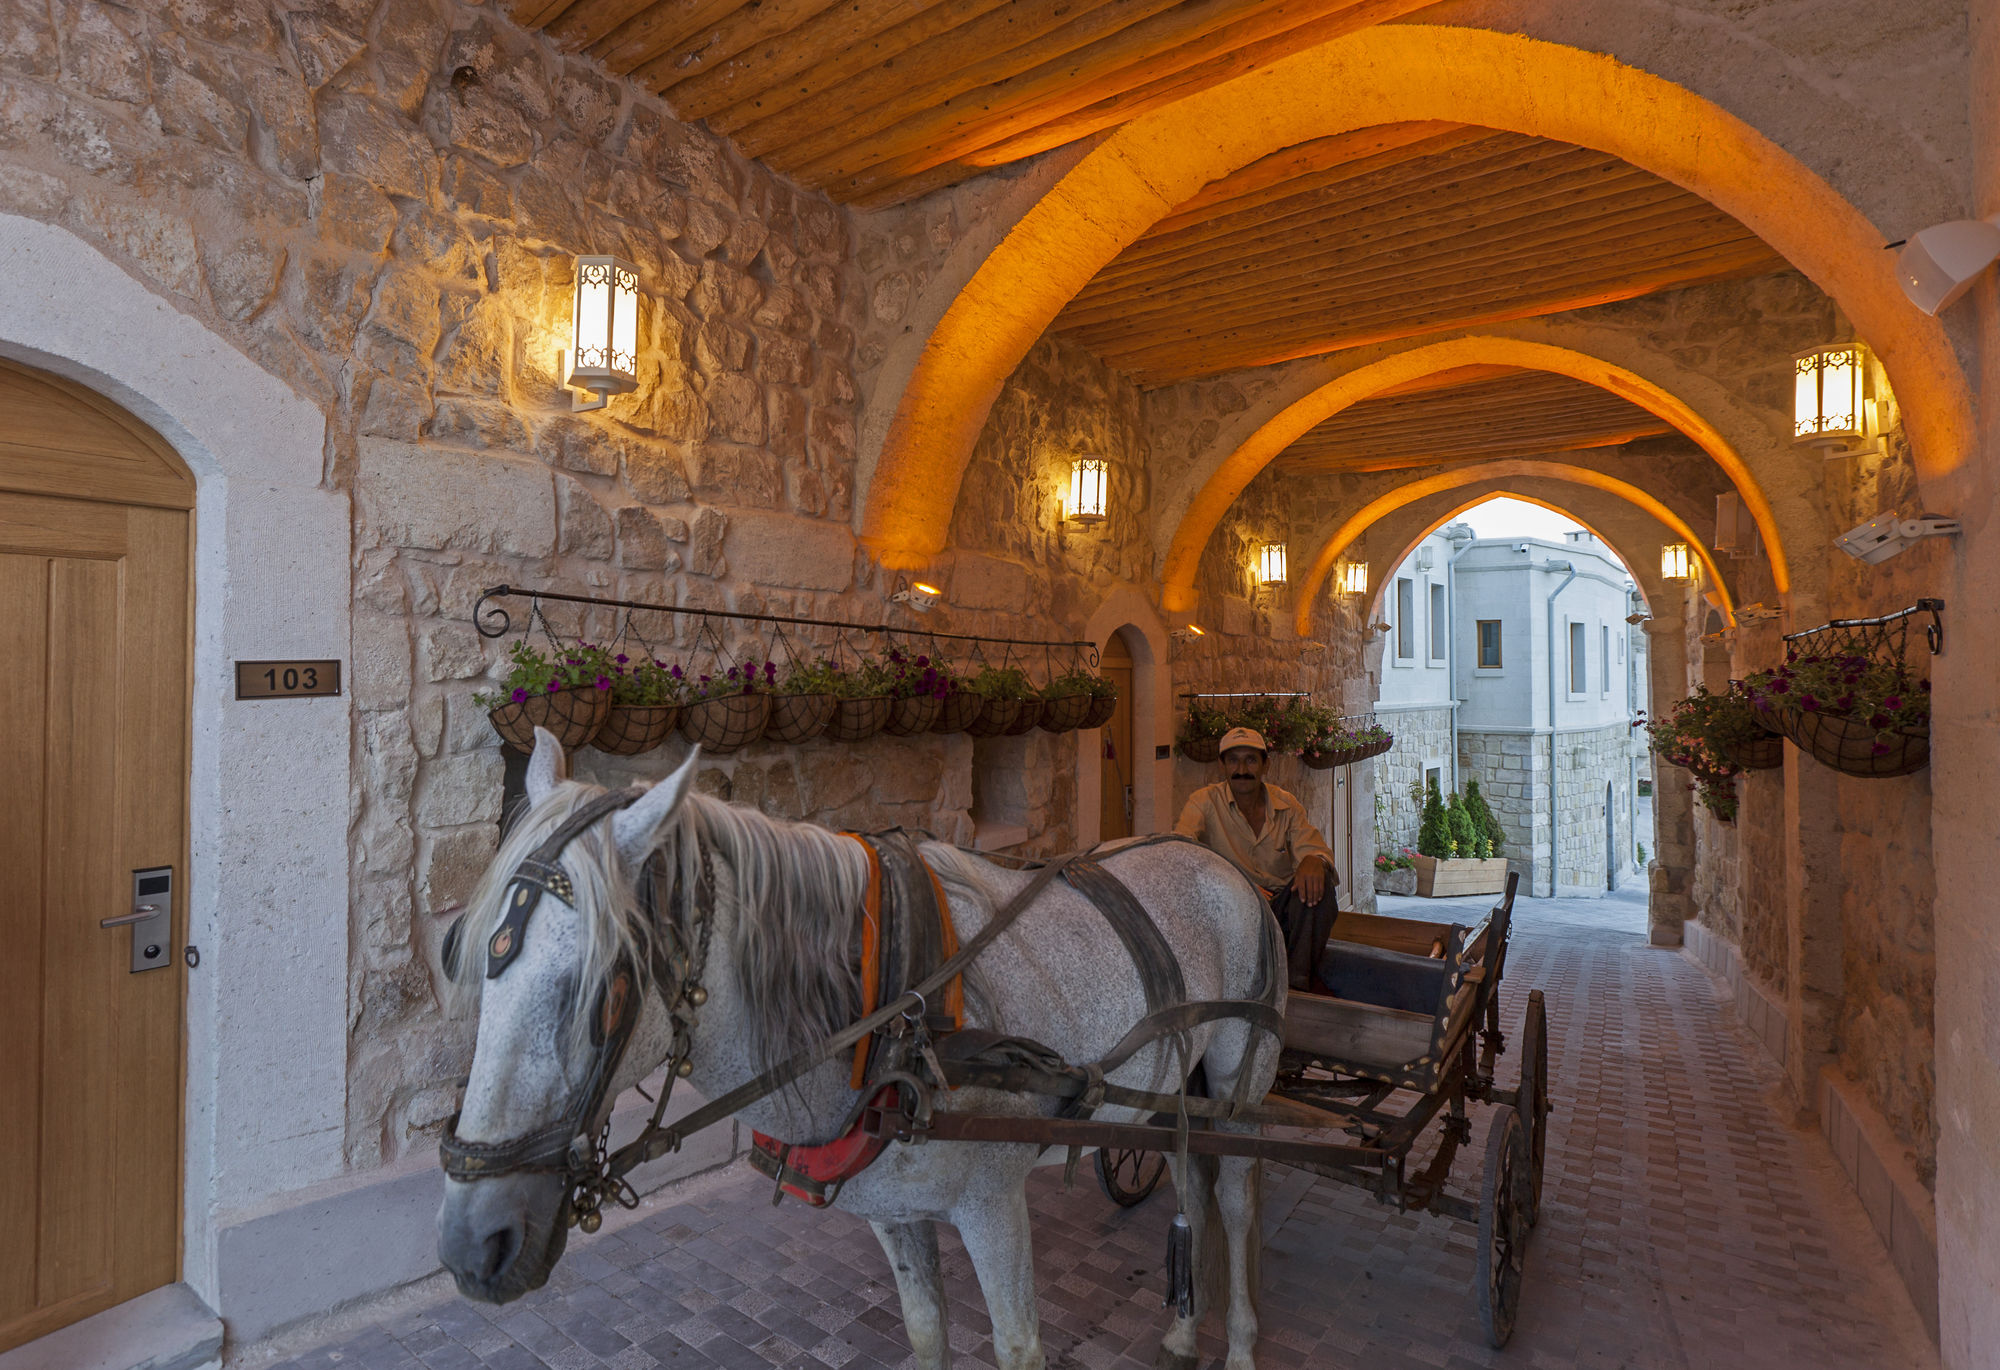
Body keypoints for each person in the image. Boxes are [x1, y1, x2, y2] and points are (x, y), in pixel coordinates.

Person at [1175, 727, 1339, 990]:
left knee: (1320, 888)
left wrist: (1315, 860)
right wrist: (1239, 887)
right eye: (1233, 760)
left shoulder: (1287, 805)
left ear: (1266, 765)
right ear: (1222, 766)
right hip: (1232, 910)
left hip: (1280, 911)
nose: (1242, 769)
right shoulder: (1203, 802)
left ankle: (1297, 984)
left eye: (1251, 760)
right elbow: (1183, 851)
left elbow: (1313, 849)